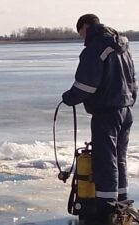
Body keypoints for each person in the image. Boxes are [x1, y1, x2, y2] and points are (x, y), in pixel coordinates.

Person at [62, 14, 137, 224]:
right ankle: (122, 200)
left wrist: (69, 98)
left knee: (105, 160)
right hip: (125, 109)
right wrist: (129, 100)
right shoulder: (122, 46)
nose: (82, 38)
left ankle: (106, 209)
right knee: (119, 158)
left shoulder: (95, 48)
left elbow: (86, 83)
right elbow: (132, 80)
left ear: (86, 26)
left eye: (81, 33)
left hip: (106, 111)